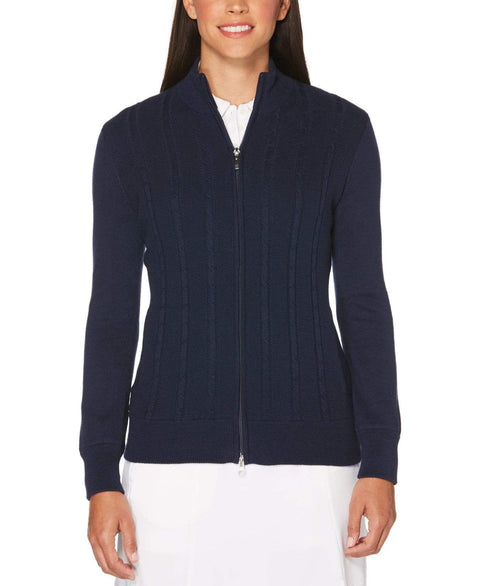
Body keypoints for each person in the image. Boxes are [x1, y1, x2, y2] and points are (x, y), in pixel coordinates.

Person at [79, 1, 401, 585]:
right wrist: (101, 475)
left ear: (283, 4)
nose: (235, 5)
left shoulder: (340, 132)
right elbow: (111, 315)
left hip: (316, 477)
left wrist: (380, 463)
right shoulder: (131, 139)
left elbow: (364, 307)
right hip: (168, 478)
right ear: (188, 3)